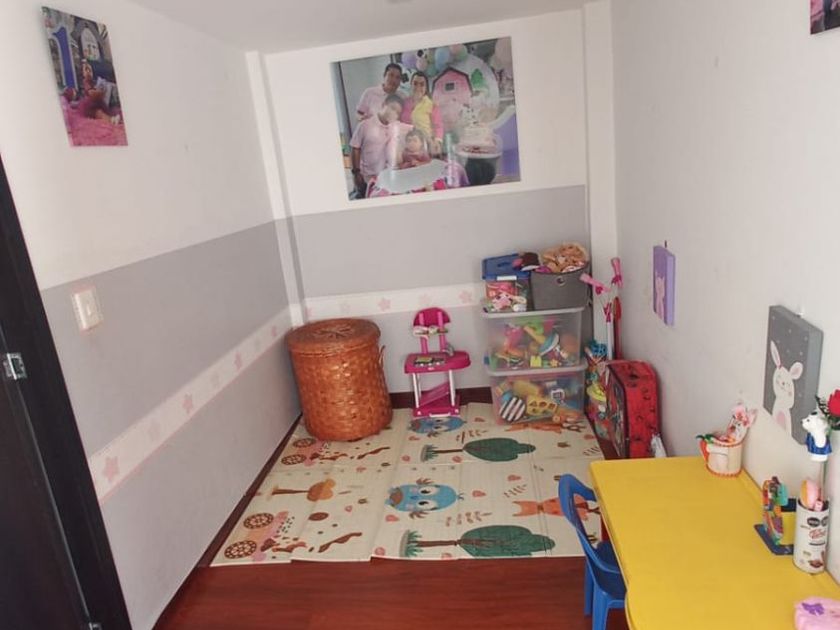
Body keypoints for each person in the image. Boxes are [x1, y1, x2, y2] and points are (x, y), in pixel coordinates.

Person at [349, 94, 407, 197]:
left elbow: (413, 128)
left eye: (397, 113)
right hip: (366, 176)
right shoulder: (365, 125)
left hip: (384, 178)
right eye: (392, 108)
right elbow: (355, 148)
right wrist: (356, 173)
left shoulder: (394, 126)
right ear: (384, 104)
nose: (394, 113)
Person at [400, 71, 444, 156]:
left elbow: (438, 125)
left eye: (422, 84)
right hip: (406, 145)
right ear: (411, 85)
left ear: (426, 88)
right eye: (415, 83)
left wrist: (437, 141)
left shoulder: (432, 105)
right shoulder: (404, 103)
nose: (418, 87)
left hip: (426, 145)